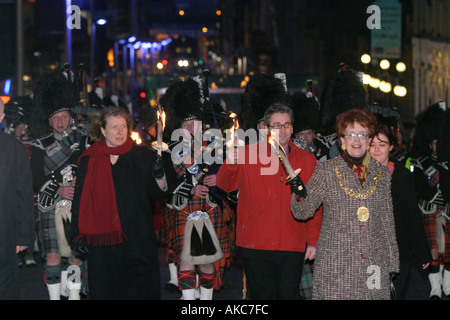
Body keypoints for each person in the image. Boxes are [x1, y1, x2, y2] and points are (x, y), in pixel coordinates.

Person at [216, 102, 322, 300]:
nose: (282, 130)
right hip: (255, 245)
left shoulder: (308, 160)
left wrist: (313, 241)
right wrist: (230, 162)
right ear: (265, 128)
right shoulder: (247, 154)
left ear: (292, 128)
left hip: (293, 243)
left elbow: (314, 204)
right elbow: (225, 185)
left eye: (287, 125)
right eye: (277, 125)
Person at [291, 108, 399, 300]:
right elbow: (302, 212)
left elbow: (387, 221)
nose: (356, 140)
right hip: (336, 265)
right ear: (341, 140)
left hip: (373, 265)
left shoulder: (382, 174)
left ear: (368, 139)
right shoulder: (326, 170)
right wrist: (299, 192)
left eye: (362, 134)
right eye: (351, 134)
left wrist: (391, 264)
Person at [70, 107, 173, 299]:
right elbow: (80, 199)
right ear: (102, 130)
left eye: (123, 126)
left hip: (137, 238)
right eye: (114, 127)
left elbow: (157, 194)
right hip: (103, 242)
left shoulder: (142, 156)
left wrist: (159, 174)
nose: (120, 132)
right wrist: (77, 235)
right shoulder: (89, 158)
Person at [160, 76, 233, 300]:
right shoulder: (169, 150)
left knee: (209, 262)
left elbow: (228, 179)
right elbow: (167, 186)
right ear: (179, 126)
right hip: (185, 208)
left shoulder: (215, 147)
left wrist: (217, 181)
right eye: (186, 124)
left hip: (210, 208)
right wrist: (189, 189)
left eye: (195, 123)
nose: (191, 128)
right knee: (186, 259)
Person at [30, 71, 91, 300]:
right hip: (51, 204)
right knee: (53, 256)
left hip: (76, 204)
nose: (59, 122)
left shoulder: (81, 142)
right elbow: (35, 178)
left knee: (76, 255)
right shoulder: (39, 145)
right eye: (54, 118)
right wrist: (58, 188)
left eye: (63, 117)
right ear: (48, 120)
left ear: (71, 117)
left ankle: (73, 296)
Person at [369, 122, 432, 299]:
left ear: (391, 147)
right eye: (372, 145)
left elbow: (411, 215)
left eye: (381, 145)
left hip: (397, 251)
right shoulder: (357, 175)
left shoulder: (402, 176)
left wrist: (422, 253)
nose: (376, 150)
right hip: (367, 251)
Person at [410, 102, 449, 299]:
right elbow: (421, 189)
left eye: (439, 142)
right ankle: (435, 288)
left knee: (446, 251)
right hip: (430, 211)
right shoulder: (421, 164)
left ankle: (447, 283)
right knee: (433, 250)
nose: (436, 146)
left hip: (447, 211)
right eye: (433, 142)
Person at [0, 99, 35, 299]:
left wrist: (23, 236)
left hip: (4, 233)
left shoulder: (15, 149)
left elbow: (24, 194)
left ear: (2, 118)